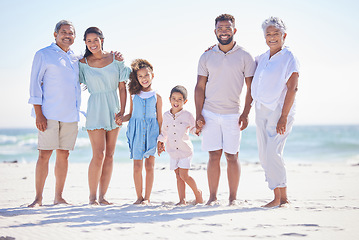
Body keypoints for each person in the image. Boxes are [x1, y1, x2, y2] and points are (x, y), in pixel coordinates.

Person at [195, 14, 256, 205]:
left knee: (232, 156)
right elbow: (199, 87)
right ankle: (212, 198)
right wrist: (198, 114)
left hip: (233, 114)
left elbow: (251, 88)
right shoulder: (206, 56)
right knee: (213, 155)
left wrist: (245, 113)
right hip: (210, 112)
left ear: (234, 30)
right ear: (215, 31)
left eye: (227, 28)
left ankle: (232, 199)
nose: (223, 31)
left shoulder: (245, 56)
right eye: (220, 28)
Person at [28, 20, 81, 207]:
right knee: (44, 155)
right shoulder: (43, 54)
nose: (67, 35)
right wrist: (38, 114)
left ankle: (58, 197)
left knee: (64, 155)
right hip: (49, 113)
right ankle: (38, 198)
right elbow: (35, 84)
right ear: (55, 34)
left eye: (71, 32)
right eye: (64, 32)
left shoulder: (76, 58)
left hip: (70, 114)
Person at [251, 17, 299, 208]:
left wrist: (284, 117)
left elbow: (293, 88)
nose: (272, 37)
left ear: (284, 36)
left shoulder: (289, 58)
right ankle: (276, 195)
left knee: (273, 153)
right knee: (264, 154)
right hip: (261, 109)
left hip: (279, 111)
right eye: (268, 34)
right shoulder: (262, 58)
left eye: (276, 34)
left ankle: (284, 197)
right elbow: (242, 62)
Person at [79, 27, 131, 205]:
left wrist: (122, 112)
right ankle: (92, 197)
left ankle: (103, 196)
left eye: (95, 40)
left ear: (102, 40)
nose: (93, 43)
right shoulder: (83, 63)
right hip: (95, 109)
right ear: (85, 43)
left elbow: (122, 88)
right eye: (89, 41)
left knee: (110, 155)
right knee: (98, 154)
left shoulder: (116, 60)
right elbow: (70, 82)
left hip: (114, 108)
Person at [117, 59, 162, 205]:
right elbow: (131, 114)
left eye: (146, 75)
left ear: (152, 76)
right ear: (136, 78)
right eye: (140, 76)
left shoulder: (157, 97)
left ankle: (147, 197)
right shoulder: (133, 94)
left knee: (149, 166)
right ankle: (138, 196)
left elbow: (160, 119)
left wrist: (161, 139)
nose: (144, 79)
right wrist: (121, 119)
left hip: (152, 132)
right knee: (137, 166)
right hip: (136, 132)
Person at [157, 85, 204, 205]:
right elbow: (164, 132)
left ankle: (198, 193)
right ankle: (182, 200)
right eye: (174, 98)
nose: (176, 102)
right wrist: (160, 142)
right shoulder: (166, 116)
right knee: (178, 176)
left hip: (185, 151)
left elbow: (193, 129)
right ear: (169, 99)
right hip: (173, 151)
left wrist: (198, 129)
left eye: (179, 99)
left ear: (185, 101)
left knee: (184, 175)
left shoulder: (187, 115)